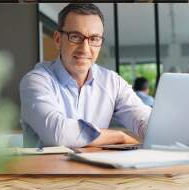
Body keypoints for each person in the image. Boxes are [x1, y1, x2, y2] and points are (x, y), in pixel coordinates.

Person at [20, 3, 151, 148]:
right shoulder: (36, 80)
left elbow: (144, 120)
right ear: (58, 39)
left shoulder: (112, 82)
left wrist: (157, 131)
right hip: (47, 169)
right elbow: (58, 134)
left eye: (94, 39)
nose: (85, 49)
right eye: (75, 37)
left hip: (98, 168)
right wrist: (119, 136)